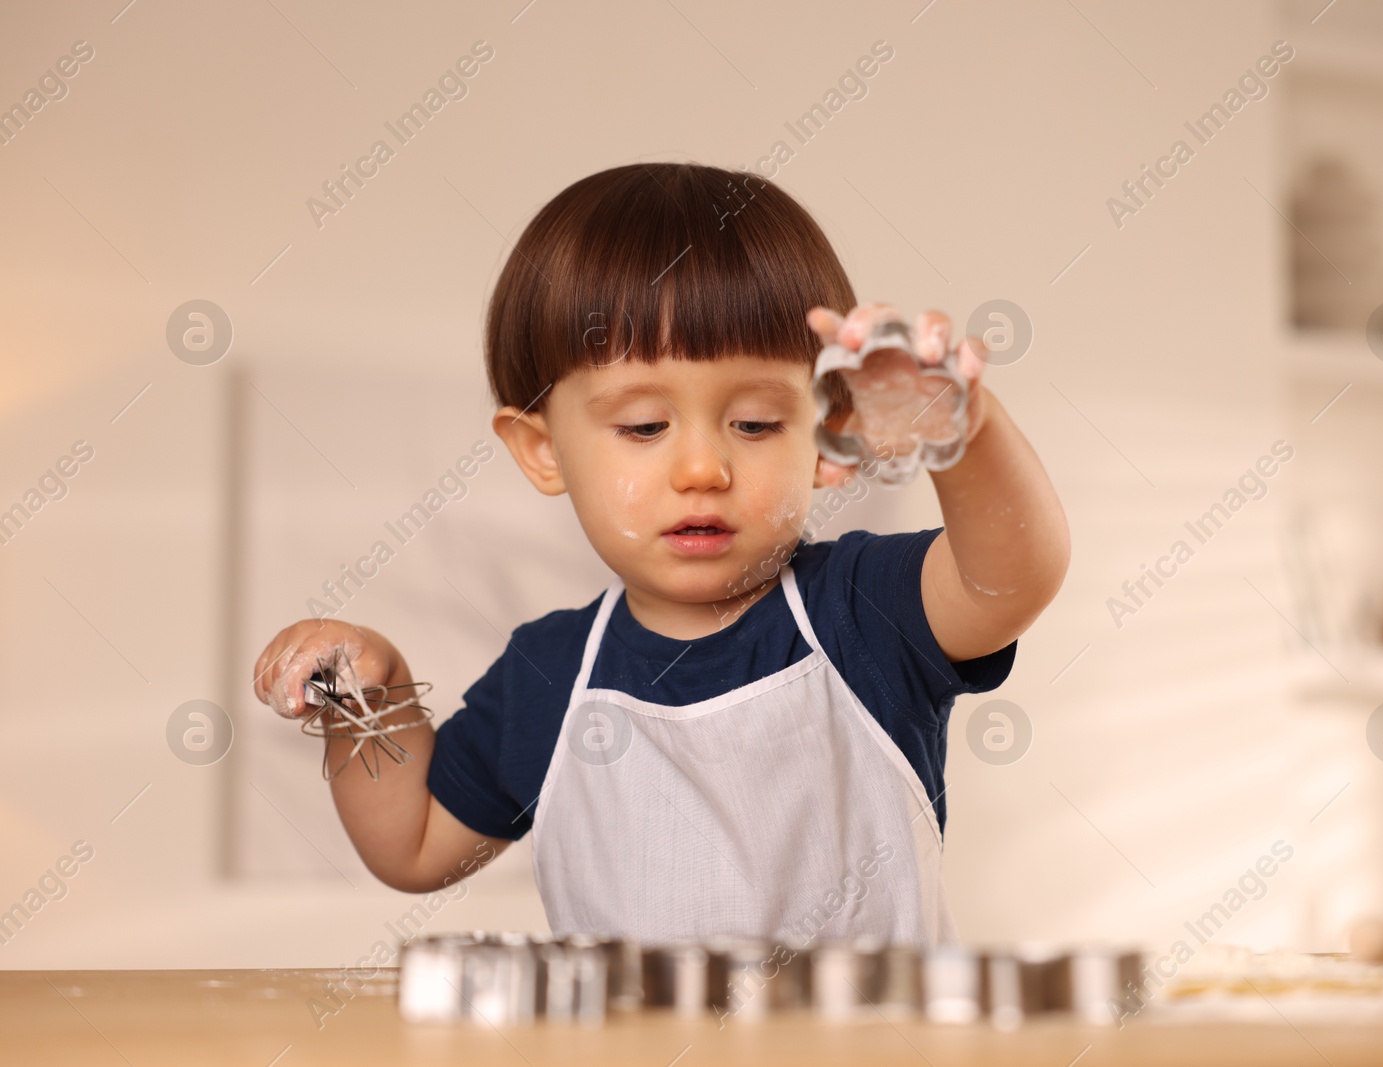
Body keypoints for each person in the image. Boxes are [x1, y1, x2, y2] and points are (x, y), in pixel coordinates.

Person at [252, 162, 1069, 946]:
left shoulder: (866, 610)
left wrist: (966, 435)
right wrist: (370, 693)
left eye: (754, 423)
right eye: (644, 427)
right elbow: (414, 848)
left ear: (829, 436)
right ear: (542, 450)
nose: (702, 469)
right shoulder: (551, 674)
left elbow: (1012, 579)